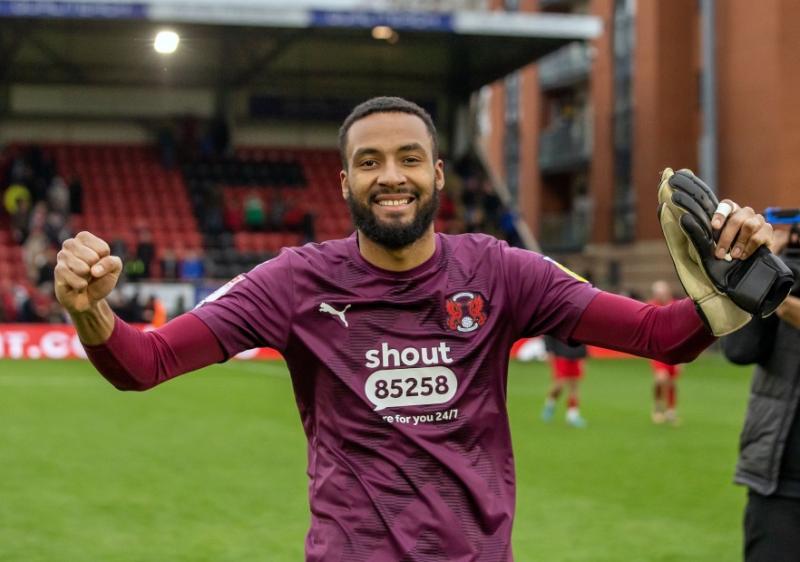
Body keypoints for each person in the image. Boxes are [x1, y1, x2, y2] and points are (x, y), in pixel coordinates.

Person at [54, 97, 779, 561]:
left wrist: (734, 288)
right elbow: (143, 362)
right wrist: (90, 310)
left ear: (438, 173)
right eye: (368, 162)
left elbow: (661, 336)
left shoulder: (502, 271)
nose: (389, 175)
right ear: (343, 183)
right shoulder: (293, 281)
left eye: (408, 159)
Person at [721, 227, 800, 562]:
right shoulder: (785, 270)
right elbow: (739, 349)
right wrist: (766, 268)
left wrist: (781, 299)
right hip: (778, 480)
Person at [649, 280, 682, 425]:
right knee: (661, 379)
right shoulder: (651, 306)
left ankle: (670, 410)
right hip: (658, 350)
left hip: (675, 349)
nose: (661, 295)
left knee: (671, 382)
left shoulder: (676, 306)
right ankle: (657, 407)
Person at [541, 335, 588, 427]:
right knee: (559, 385)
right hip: (560, 354)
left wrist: (584, 355)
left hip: (577, 355)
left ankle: (572, 416)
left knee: (574, 386)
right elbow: (548, 334)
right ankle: (550, 404)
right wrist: (548, 351)